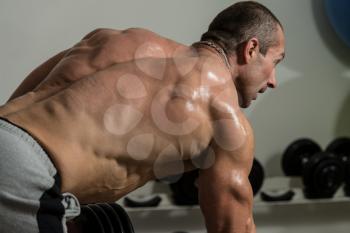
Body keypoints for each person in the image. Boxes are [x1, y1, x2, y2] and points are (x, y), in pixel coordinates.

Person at [0, 1, 285, 233]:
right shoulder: (226, 119)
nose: (273, 81)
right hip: (24, 177)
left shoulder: (117, 40)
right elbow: (232, 228)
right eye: (275, 62)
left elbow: (15, 117)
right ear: (250, 50)